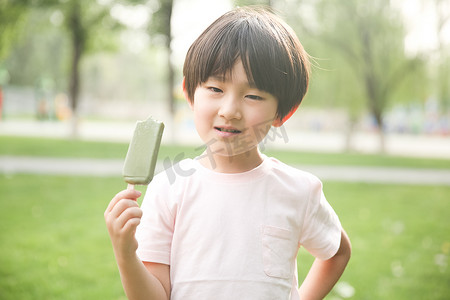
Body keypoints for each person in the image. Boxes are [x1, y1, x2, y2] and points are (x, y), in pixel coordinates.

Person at [105, 6, 351, 300]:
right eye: (215, 89)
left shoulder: (299, 190)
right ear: (190, 94)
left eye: (253, 96)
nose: (229, 110)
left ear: (282, 113)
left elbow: (337, 252)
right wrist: (125, 253)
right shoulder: (169, 190)